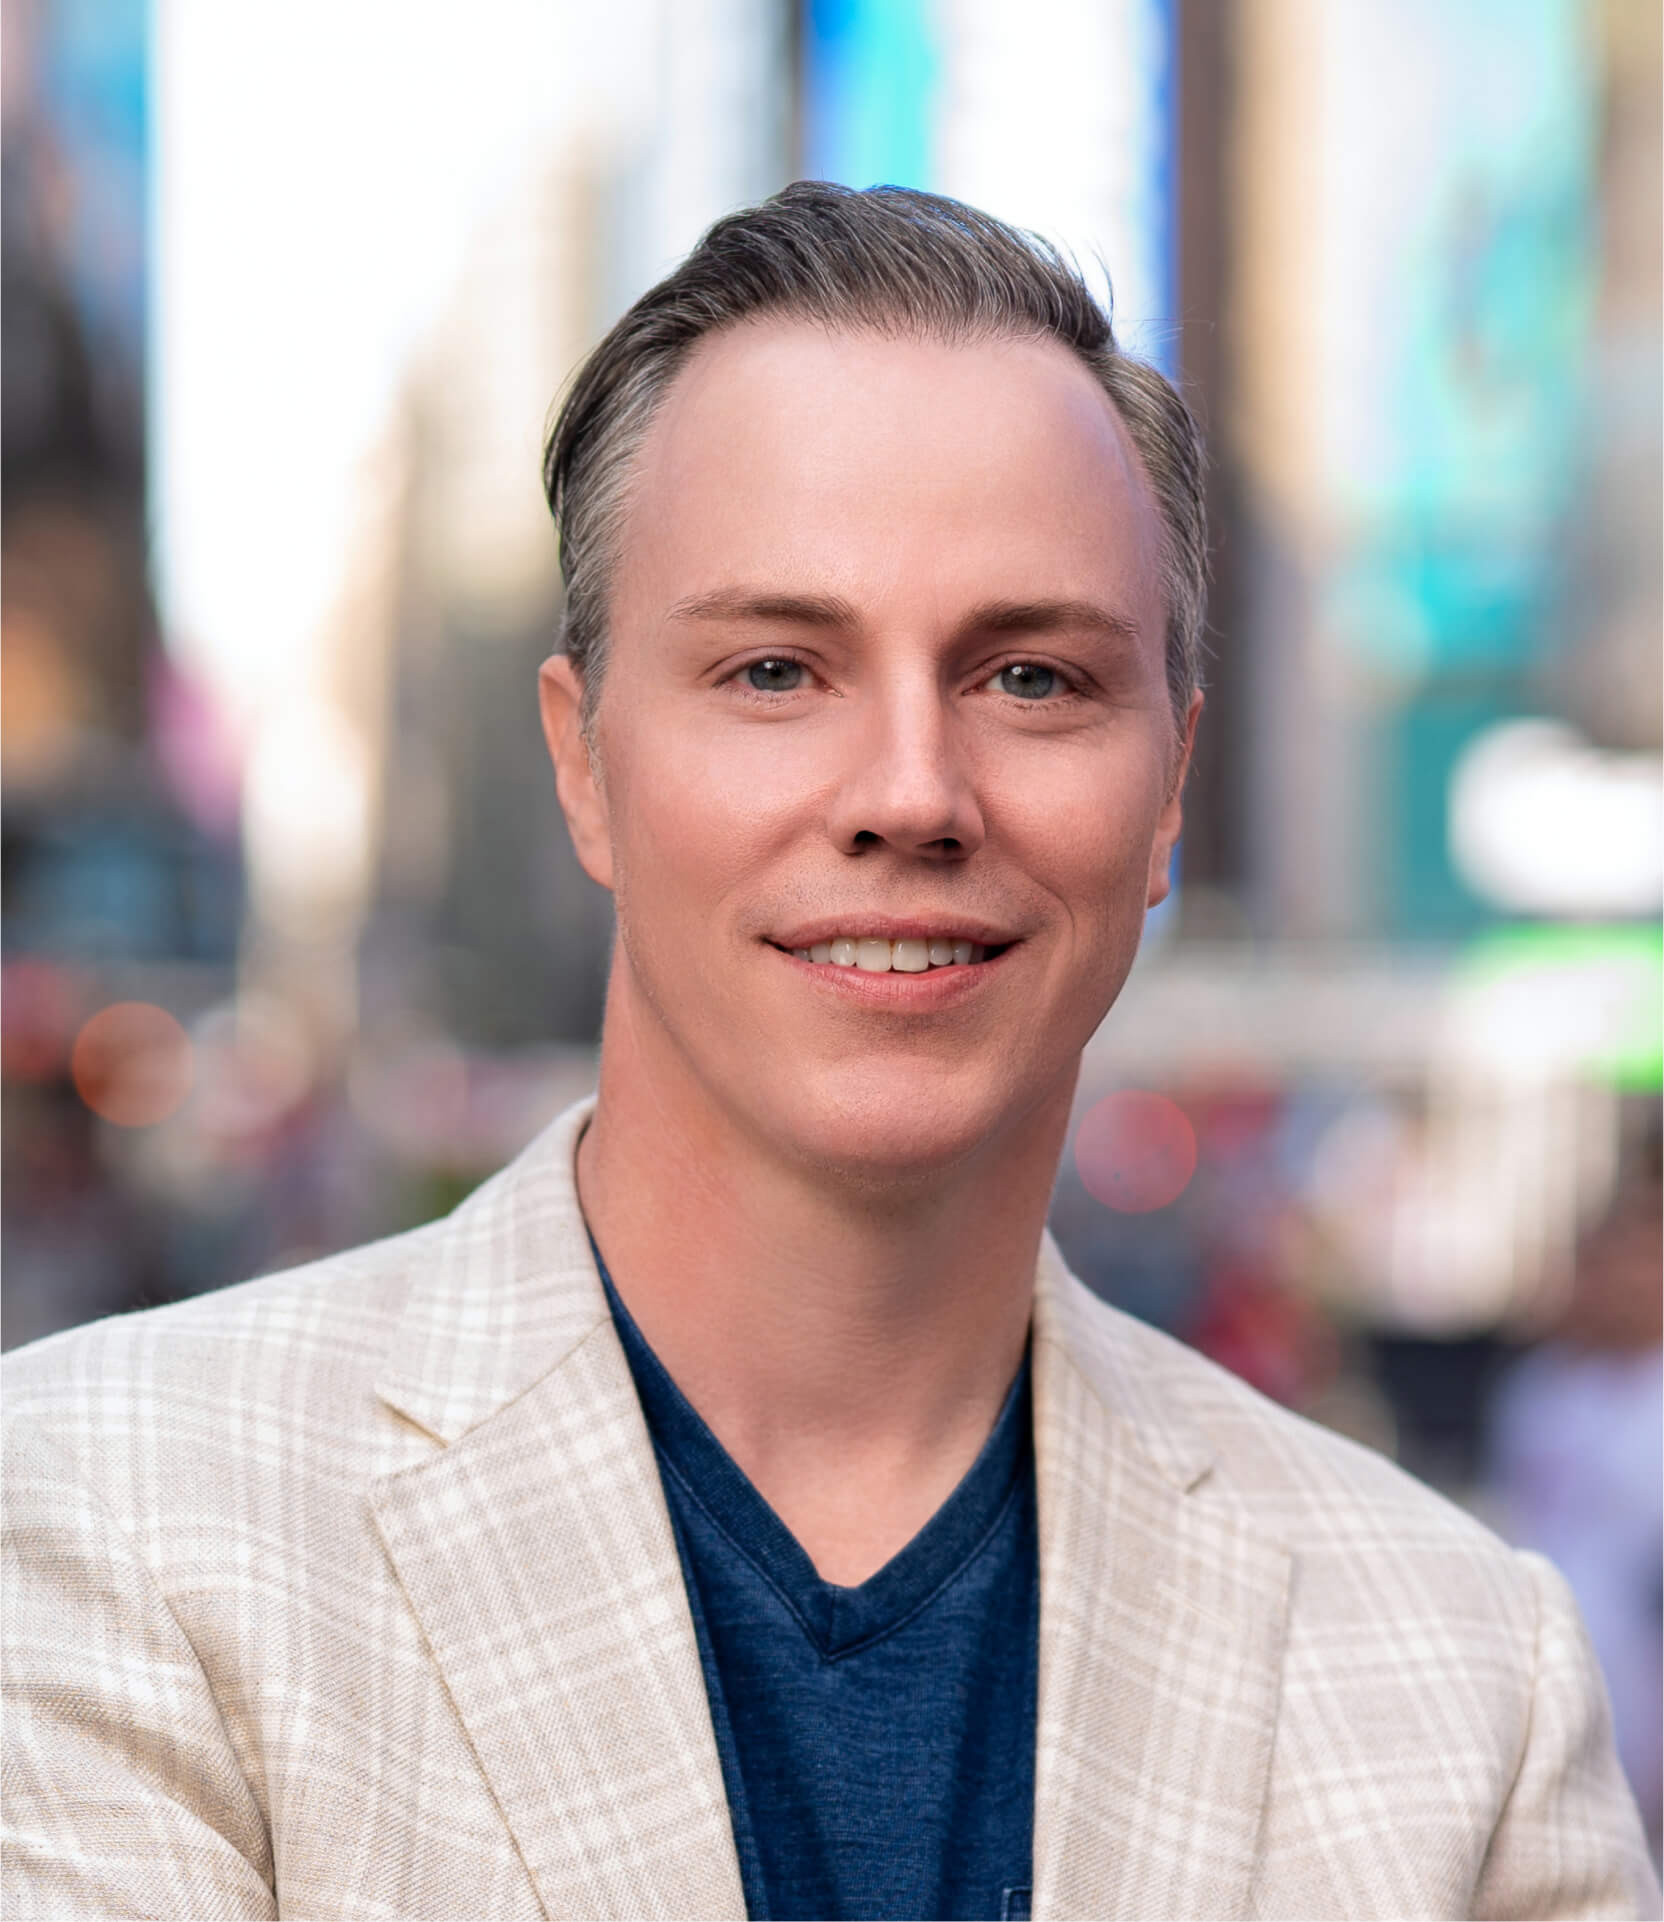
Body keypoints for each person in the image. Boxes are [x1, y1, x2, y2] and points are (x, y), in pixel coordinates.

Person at [3, 183, 1655, 1922]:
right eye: (778, 668)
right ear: (585, 761)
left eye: (1031, 678)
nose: (910, 795)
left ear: (1170, 784)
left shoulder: (1464, 1677)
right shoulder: (112, 1521)